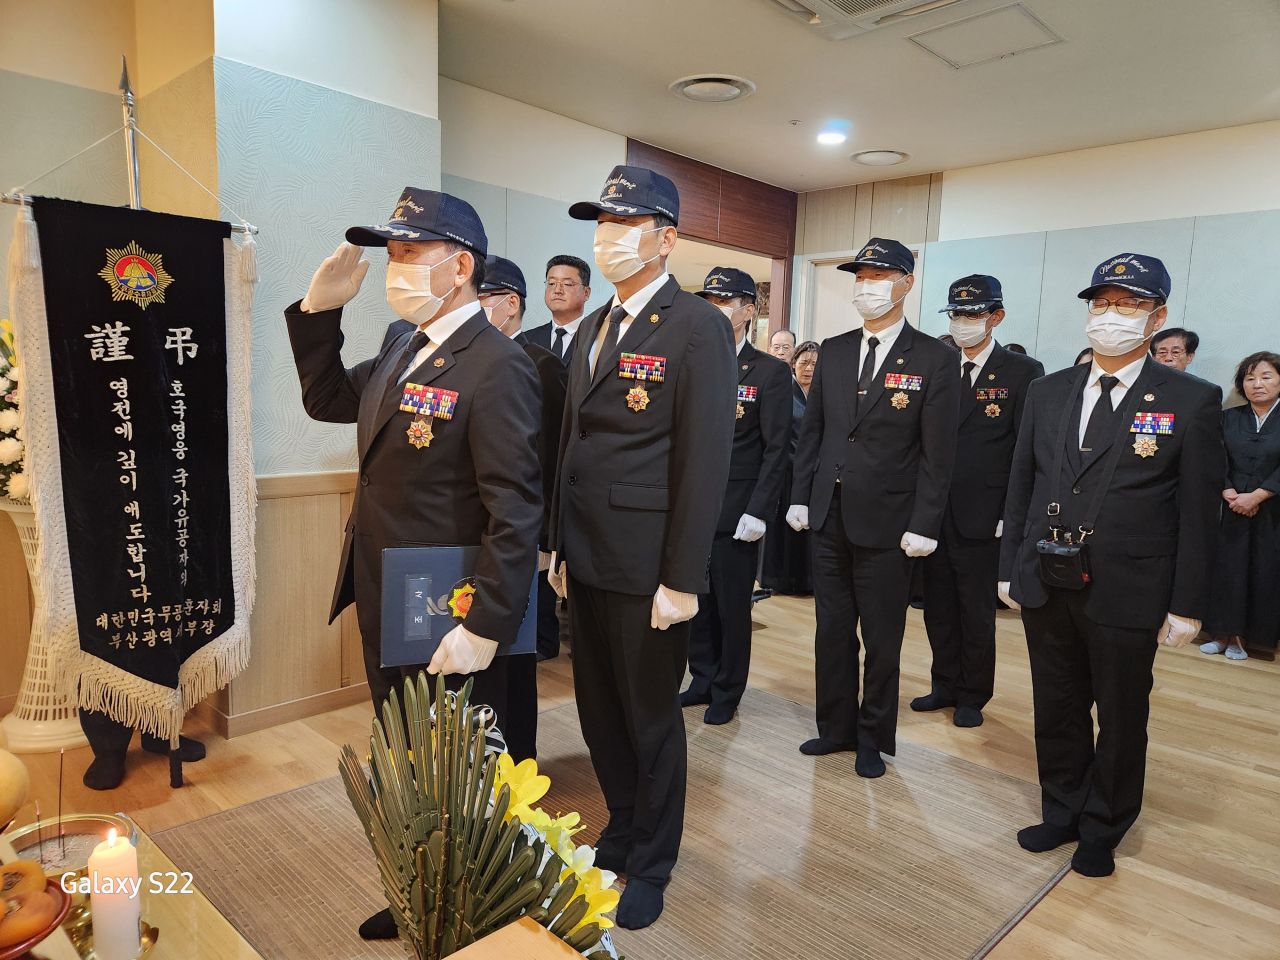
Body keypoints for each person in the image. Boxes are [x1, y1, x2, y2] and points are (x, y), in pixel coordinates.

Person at [285, 189, 543, 939]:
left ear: (459, 267)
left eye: (408, 252)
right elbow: (327, 398)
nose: (394, 267)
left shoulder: (497, 365)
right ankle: (421, 889)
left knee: (464, 765)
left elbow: (515, 509)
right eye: (390, 252)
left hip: (448, 609)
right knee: (404, 752)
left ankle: (476, 907)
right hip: (385, 592)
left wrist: (486, 623)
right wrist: (319, 313)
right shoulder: (404, 344)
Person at [548, 165, 736, 929]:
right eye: (601, 224)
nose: (608, 238)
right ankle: (621, 827)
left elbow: (704, 460)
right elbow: (571, 442)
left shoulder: (696, 326)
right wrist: (557, 547)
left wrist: (683, 577)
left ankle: (653, 861)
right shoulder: (596, 324)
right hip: (586, 556)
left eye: (624, 224)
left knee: (651, 718)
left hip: (649, 563)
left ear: (666, 239)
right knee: (599, 711)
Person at [999, 252, 1223, 878]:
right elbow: (1021, 485)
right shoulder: (1048, 390)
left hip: (1130, 585)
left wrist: (1187, 604)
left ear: (1157, 316)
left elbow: (1199, 512)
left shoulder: (1192, 399)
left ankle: (1104, 824)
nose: (1111, 315)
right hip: (1046, 576)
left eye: (1128, 305)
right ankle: (1062, 808)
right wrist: (1009, 567)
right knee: (1057, 704)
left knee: (1122, 714)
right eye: (1102, 303)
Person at [788, 238, 960, 779]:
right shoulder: (835, 350)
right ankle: (835, 727)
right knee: (831, 629)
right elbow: (814, 432)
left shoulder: (935, 358)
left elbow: (938, 453)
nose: (866, 287)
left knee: (882, 638)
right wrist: (800, 495)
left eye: (878, 276)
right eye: (860, 277)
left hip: (890, 523)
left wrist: (925, 523)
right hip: (829, 514)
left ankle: (872, 736)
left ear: (906, 283)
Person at [913, 276, 1044, 728]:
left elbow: (1025, 451)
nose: (963, 322)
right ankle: (943, 683)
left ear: (996, 317)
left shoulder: (1021, 372)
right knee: (937, 605)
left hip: (984, 513)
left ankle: (972, 693)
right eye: (956, 314)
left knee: (974, 609)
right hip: (933, 510)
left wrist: (1011, 513)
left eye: (972, 314)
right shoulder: (938, 363)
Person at [681, 268, 793, 724]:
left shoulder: (769, 371)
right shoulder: (691, 360)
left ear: (748, 311)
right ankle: (701, 678)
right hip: (693, 506)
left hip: (737, 510)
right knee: (696, 600)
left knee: (731, 605)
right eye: (708, 300)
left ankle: (728, 689)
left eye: (723, 302)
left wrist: (759, 510)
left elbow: (777, 447)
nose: (714, 309)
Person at [478, 255, 569, 754]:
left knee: (514, 655)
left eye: (482, 298)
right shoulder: (467, 357)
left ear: (510, 304)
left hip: (521, 532)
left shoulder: (542, 365)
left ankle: (518, 761)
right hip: (471, 531)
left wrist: (547, 539)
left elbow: (552, 456)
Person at [1203, 351, 1280, 660]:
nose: (1257, 384)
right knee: (1227, 569)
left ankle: (1247, 637)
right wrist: (1227, 489)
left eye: (1266, 377)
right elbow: (1214, 455)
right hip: (1231, 506)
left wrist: (1258, 495)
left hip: (1272, 510)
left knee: (1263, 570)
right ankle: (1221, 633)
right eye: (1250, 378)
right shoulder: (1228, 417)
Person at [763, 341, 817, 595]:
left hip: (812, 472)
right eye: (804, 362)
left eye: (814, 364)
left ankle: (807, 581)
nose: (808, 369)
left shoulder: (823, 394)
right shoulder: (784, 390)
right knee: (782, 529)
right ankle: (779, 579)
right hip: (787, 470)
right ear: (794, 364)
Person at [526, 254, 592, 363]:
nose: (557, 290)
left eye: (567, 284)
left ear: (586, 293)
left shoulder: (598, 338)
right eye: (551, 283)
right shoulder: (527, 340)